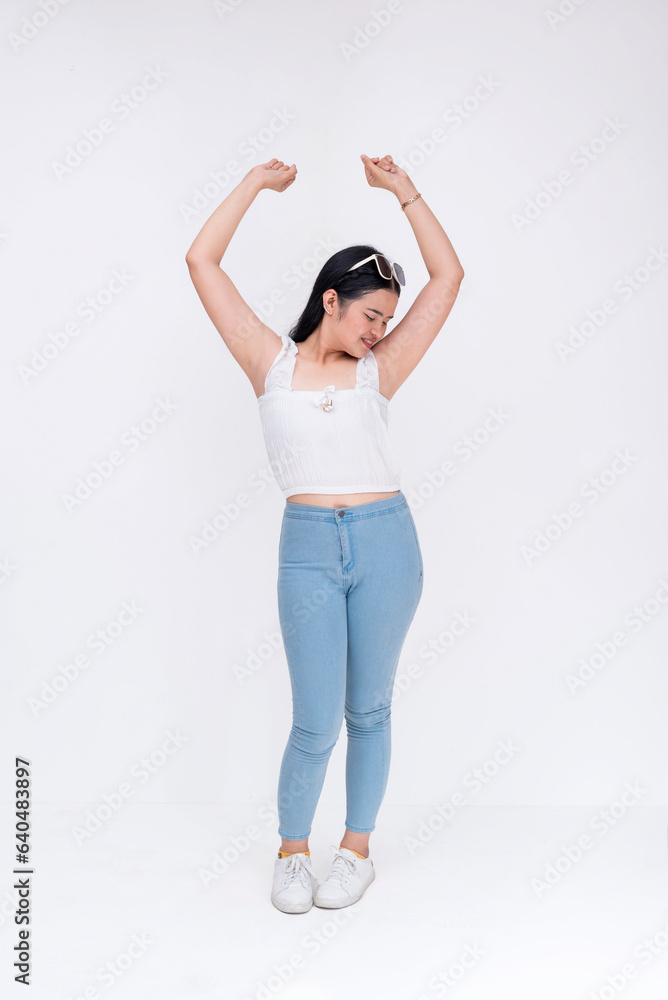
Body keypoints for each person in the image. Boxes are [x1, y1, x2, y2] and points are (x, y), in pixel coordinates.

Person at [185, 152, 464, 913]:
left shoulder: (380, 371)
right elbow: (202, 261)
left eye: (388, 321)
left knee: (368, 711)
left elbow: (448, 279)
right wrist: (254, 183)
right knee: (313, 721)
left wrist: (406, 192)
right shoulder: (268, 362)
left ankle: (356, 853)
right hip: (307, 550)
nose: (380, 332)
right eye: (371, 316)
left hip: (386, 544)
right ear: (331, 300)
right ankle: (292, 853)